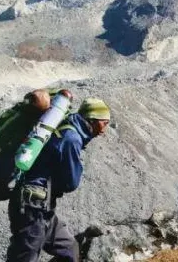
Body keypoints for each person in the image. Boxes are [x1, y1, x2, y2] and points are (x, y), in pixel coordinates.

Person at [6, 97, 112, 262]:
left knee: (70, 248)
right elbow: (71, 183)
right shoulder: (72, 138)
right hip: (32, 206)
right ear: (92, 119)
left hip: (43, 208)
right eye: (104, 123)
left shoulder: (66, 125)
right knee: (25, 256)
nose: (104, 130)